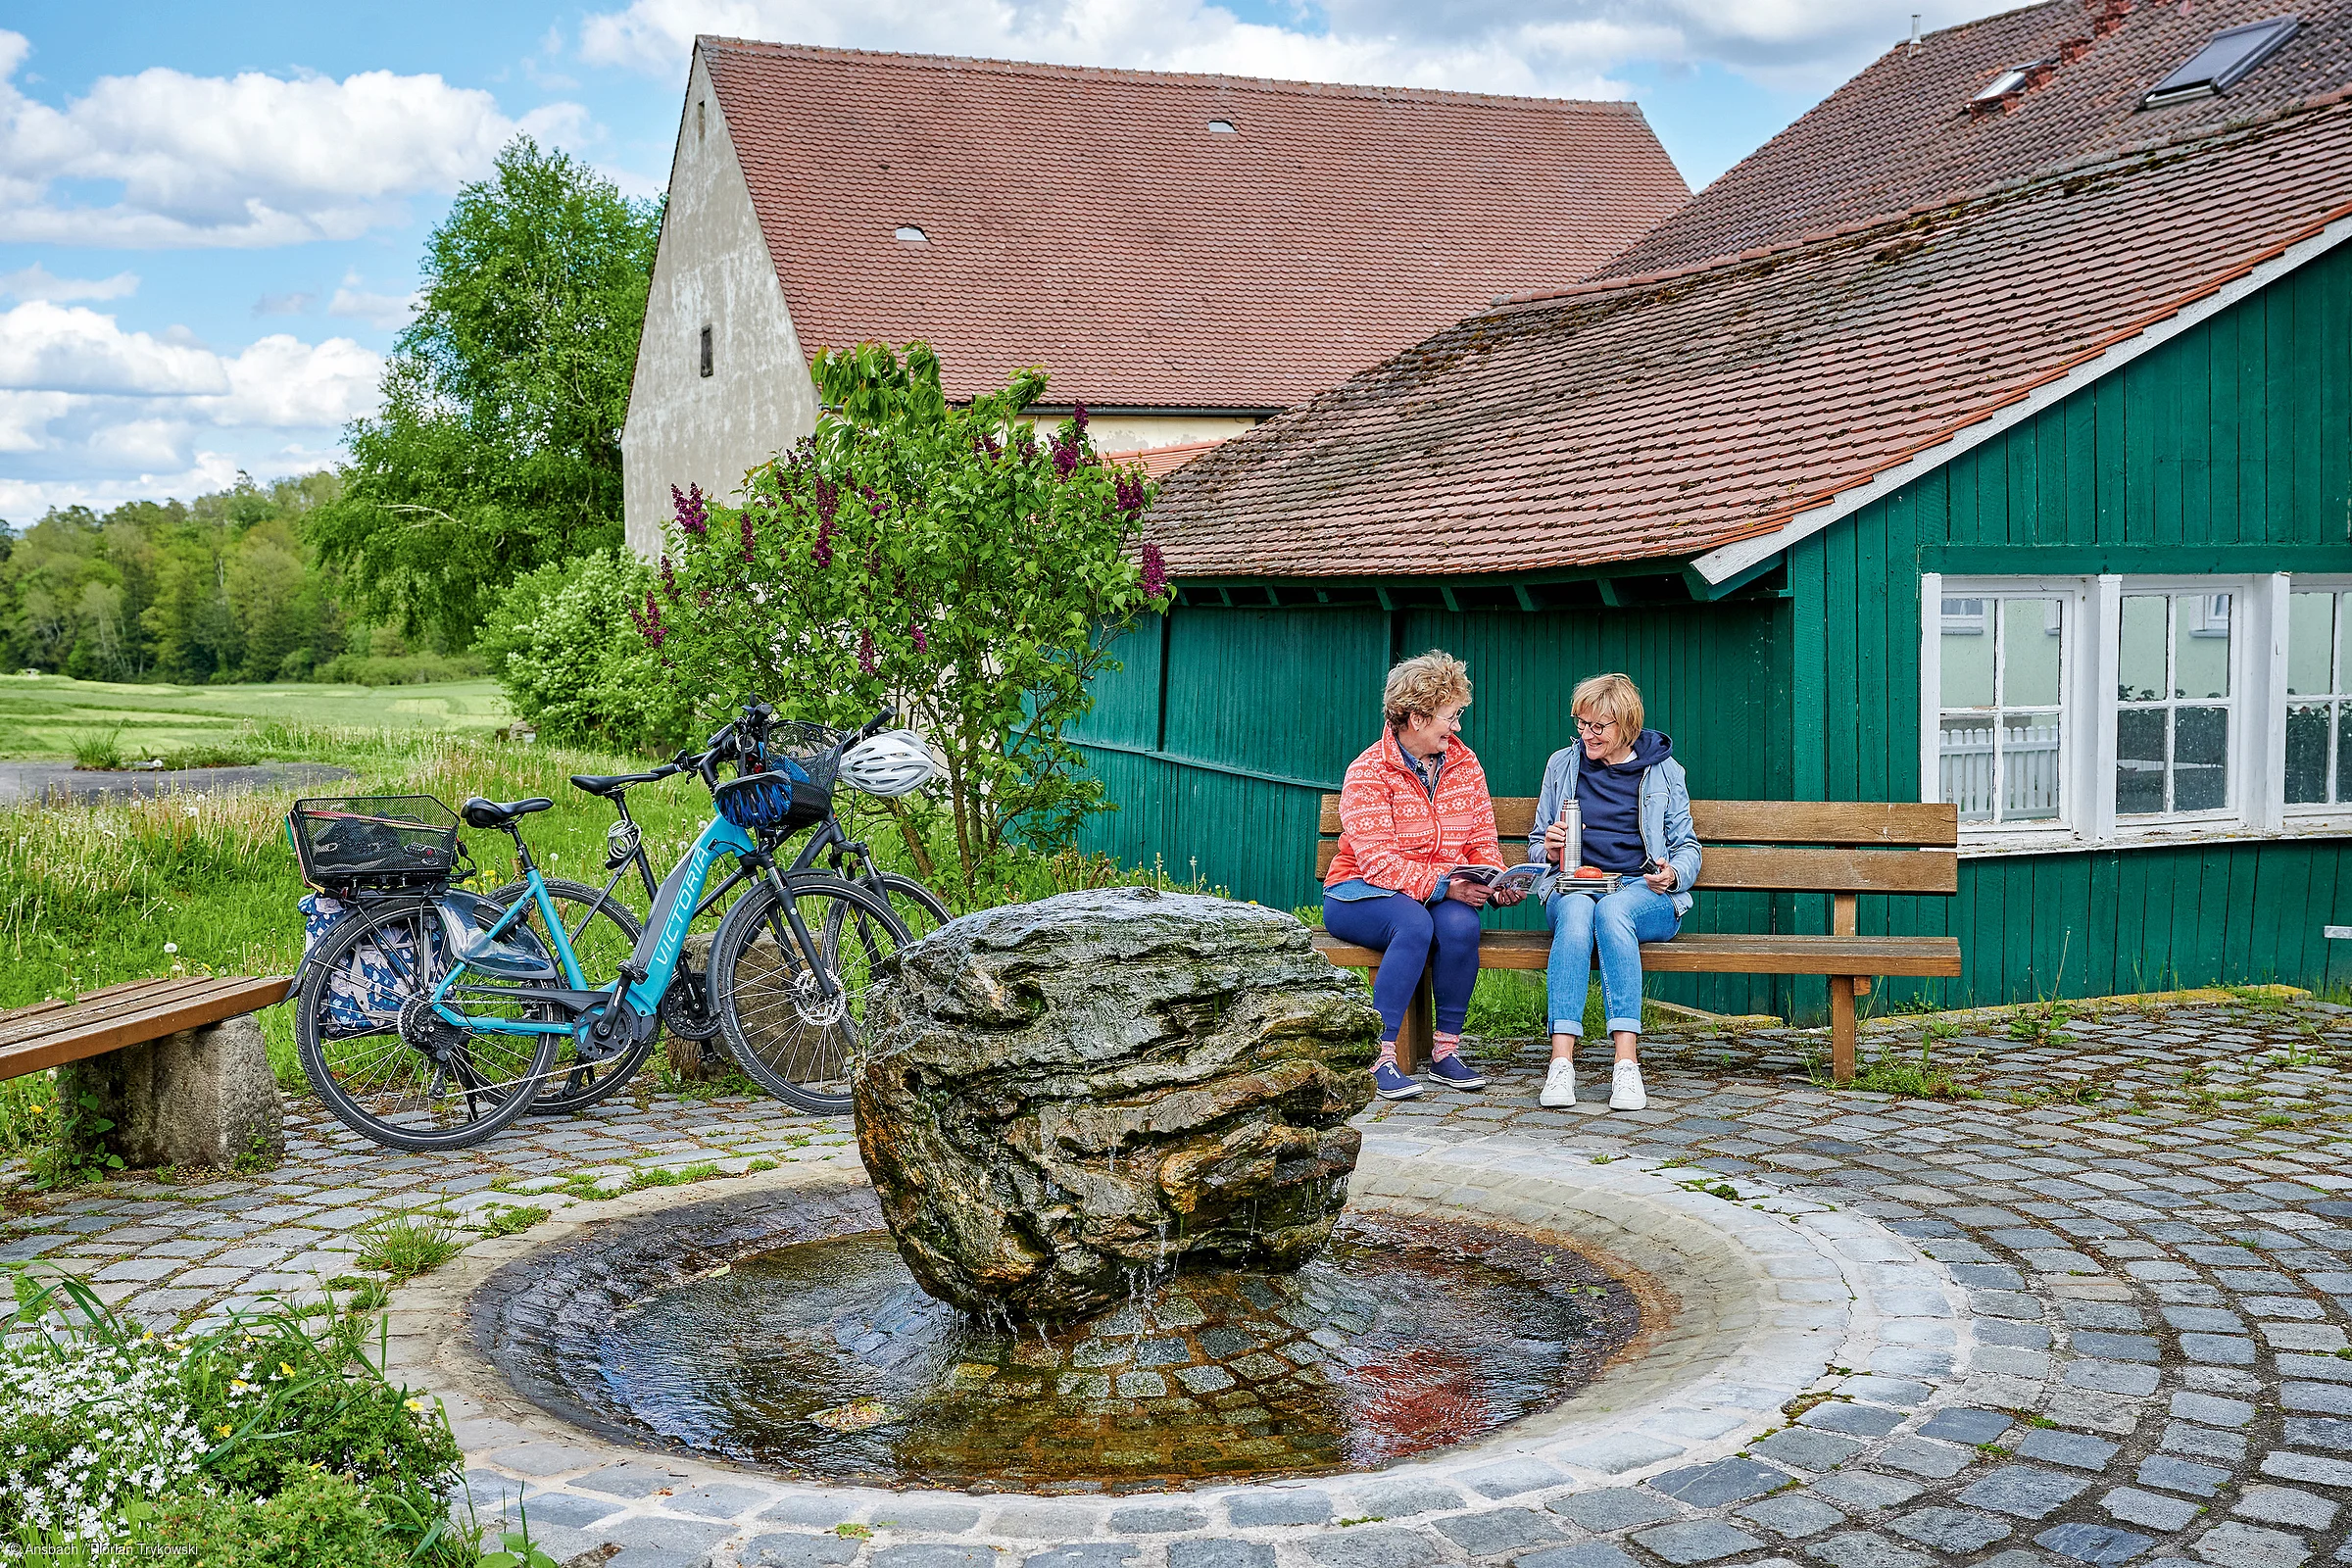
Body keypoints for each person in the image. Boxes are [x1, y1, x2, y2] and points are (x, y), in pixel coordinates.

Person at [1323, 650, 1524, 1101]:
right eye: (1449, 718)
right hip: (1359, 893)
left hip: (1432, 891)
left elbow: (1481, 839)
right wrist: (1445, 885)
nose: (1456, 728)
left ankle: (1445, 1052)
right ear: (1416, 717)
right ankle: (1379, 1056)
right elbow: (1378, 862)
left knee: (1460, 923)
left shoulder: (1465, 764)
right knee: (1413, 924)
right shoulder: (1369, 772)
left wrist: (1494, 881)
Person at [1531, 673, 1701, 1111]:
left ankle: (1626, 1065)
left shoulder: (1665, 771)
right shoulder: (1561, 766)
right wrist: (1549, 850)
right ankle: (1561, 1064)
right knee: (1576, 914)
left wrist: (1672, 874)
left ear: (1625, 726)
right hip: (1577, 884)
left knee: (1612, 912)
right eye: (1581, 724)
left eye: (1598, 727)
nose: (1586, 735)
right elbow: (1536, 842)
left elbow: (1687, 847)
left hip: (1642, 891)